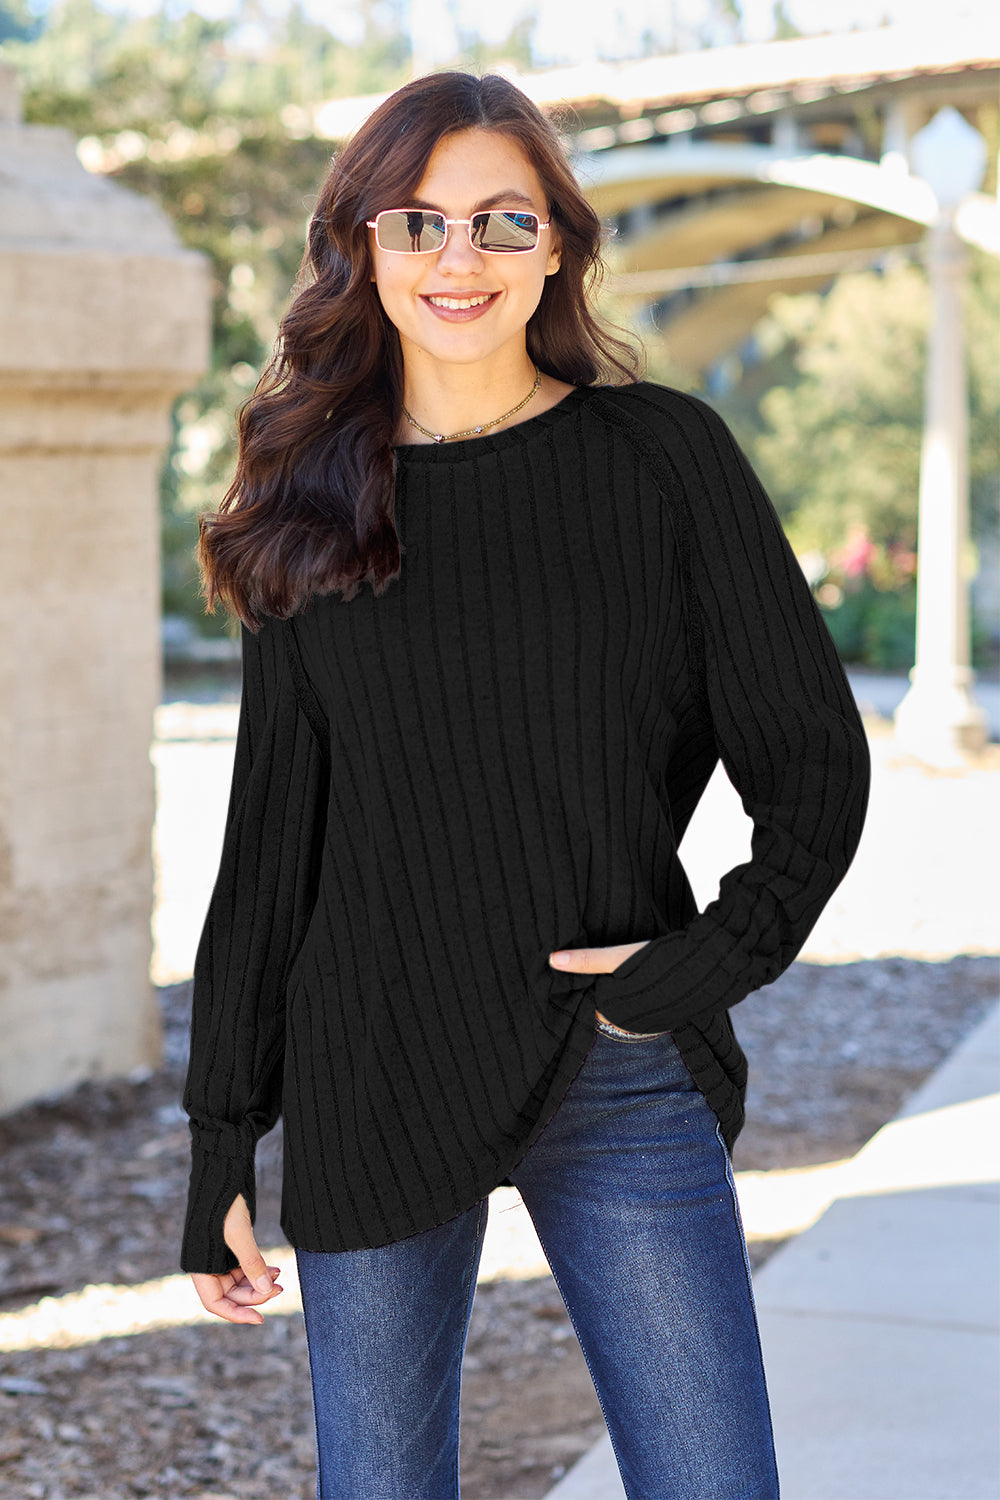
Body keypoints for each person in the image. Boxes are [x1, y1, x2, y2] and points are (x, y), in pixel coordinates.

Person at [179, 70, 870, 1500]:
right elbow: (271, 853)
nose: (459, 260)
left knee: (712, 1483)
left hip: (611, 1055)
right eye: (417, 223)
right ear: (362, 248)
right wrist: (220, 1142)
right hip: (374, 1063)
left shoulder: (665, 462)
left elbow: (812, 767)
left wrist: (690, 972)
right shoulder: (308, 499)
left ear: (557, 242)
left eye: (502, 223)